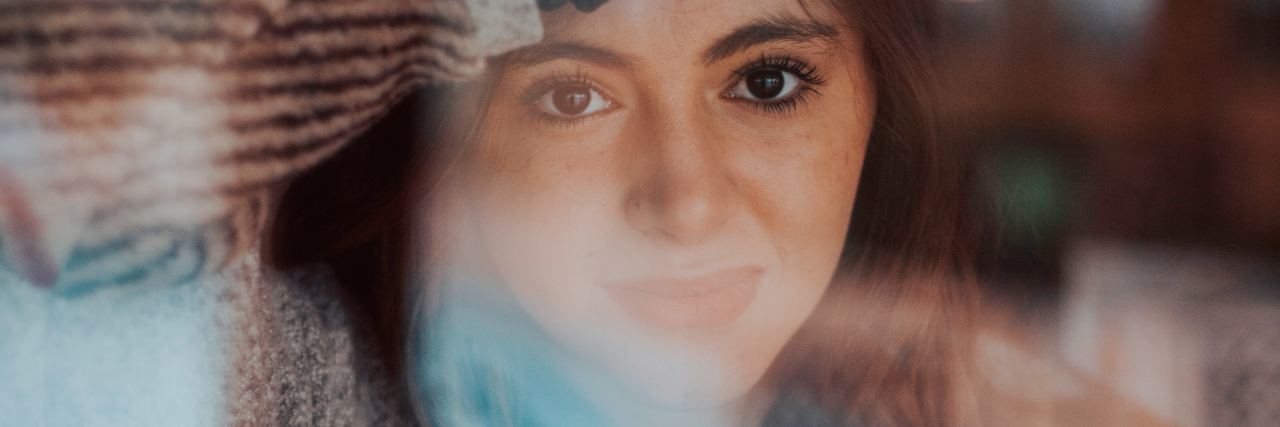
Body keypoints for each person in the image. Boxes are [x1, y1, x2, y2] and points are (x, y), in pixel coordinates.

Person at [274, 0, 978, 425]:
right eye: (572, 98)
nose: (686, 203)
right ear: (436, 140)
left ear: (879, 101)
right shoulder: (276, 377)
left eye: (767, 83)